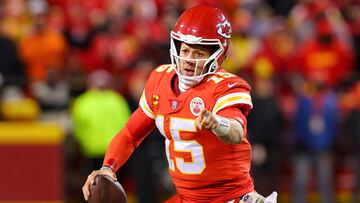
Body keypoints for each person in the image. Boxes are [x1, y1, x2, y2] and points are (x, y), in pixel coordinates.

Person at [82, 5, 277, 203]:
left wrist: (217, 124)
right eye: (185, 49)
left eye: (199, 53)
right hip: (187, 198)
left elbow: (236, 132)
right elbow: (130, 134)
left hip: (229, 198)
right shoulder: (160, 80)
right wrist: (108, 167)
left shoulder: (226, 86)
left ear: (218, 54)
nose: (188, 59)